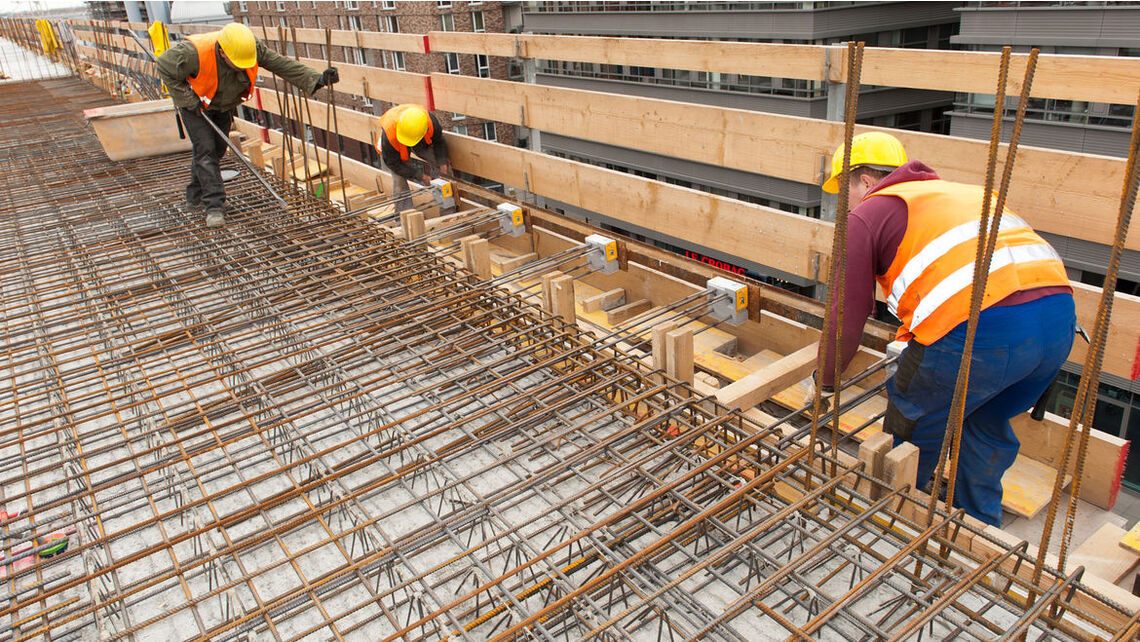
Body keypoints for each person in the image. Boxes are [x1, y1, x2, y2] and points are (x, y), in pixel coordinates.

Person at [806, 131, 1075, 527]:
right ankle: (981, 530)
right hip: (1056, 324)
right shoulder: (957, 195)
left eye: (841, 189)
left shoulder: (868, 213)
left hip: (983, 326)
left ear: (864, 180)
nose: (841, 202)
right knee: (983, 421)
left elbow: (848, 312)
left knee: (910, 428)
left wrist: (826, 380)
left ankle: (892, 524)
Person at [157, 23, 339, 227]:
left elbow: (280, 64)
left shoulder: (250, 48)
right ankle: (214, 207)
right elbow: (163, 65)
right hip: (196, 104)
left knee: (215, 150)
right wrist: (188, 99)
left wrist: (317, 79)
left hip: (223, 104)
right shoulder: (192, 53)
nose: (243, 67)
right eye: (237, 64)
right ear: (223, 53)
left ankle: (194, 195)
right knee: (206, 149)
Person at [375, 104, 450, 213]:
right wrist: (420, 176)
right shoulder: (389, 136)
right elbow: (393, 163)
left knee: (444, 167)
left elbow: (439, 141)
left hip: (420, 139)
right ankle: (404, 217)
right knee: (399, 183)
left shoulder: (430, 122)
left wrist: (443, 164)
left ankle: (448, 210)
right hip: (395, 148)